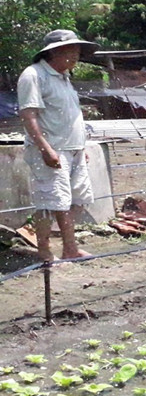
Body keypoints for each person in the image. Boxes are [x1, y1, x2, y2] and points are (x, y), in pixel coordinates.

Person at [17, 29, 99, 261]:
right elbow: (29, 115)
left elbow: (70, 116)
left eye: (77, 51)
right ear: (54, 52)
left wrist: (80, 147)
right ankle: (45, 250)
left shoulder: (64, 77)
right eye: (70, 50)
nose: (75, 56)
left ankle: (68, 247)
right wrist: (46, 149)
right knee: (51, 202)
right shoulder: (34, 75)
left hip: (72, 149)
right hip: (52, 149)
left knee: (78, 199)